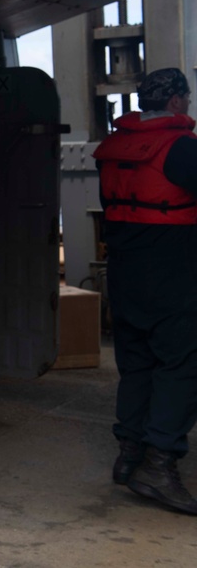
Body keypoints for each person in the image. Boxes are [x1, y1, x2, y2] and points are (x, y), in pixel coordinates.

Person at [92, 67, 197, 515]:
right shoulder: (181, 148)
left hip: (125, 273)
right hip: (172, 274)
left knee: (136, 366)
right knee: (182, 365)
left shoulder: (112, 150)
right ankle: (159, 462)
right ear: (175, 102)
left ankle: (129, 454)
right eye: (187, 99)